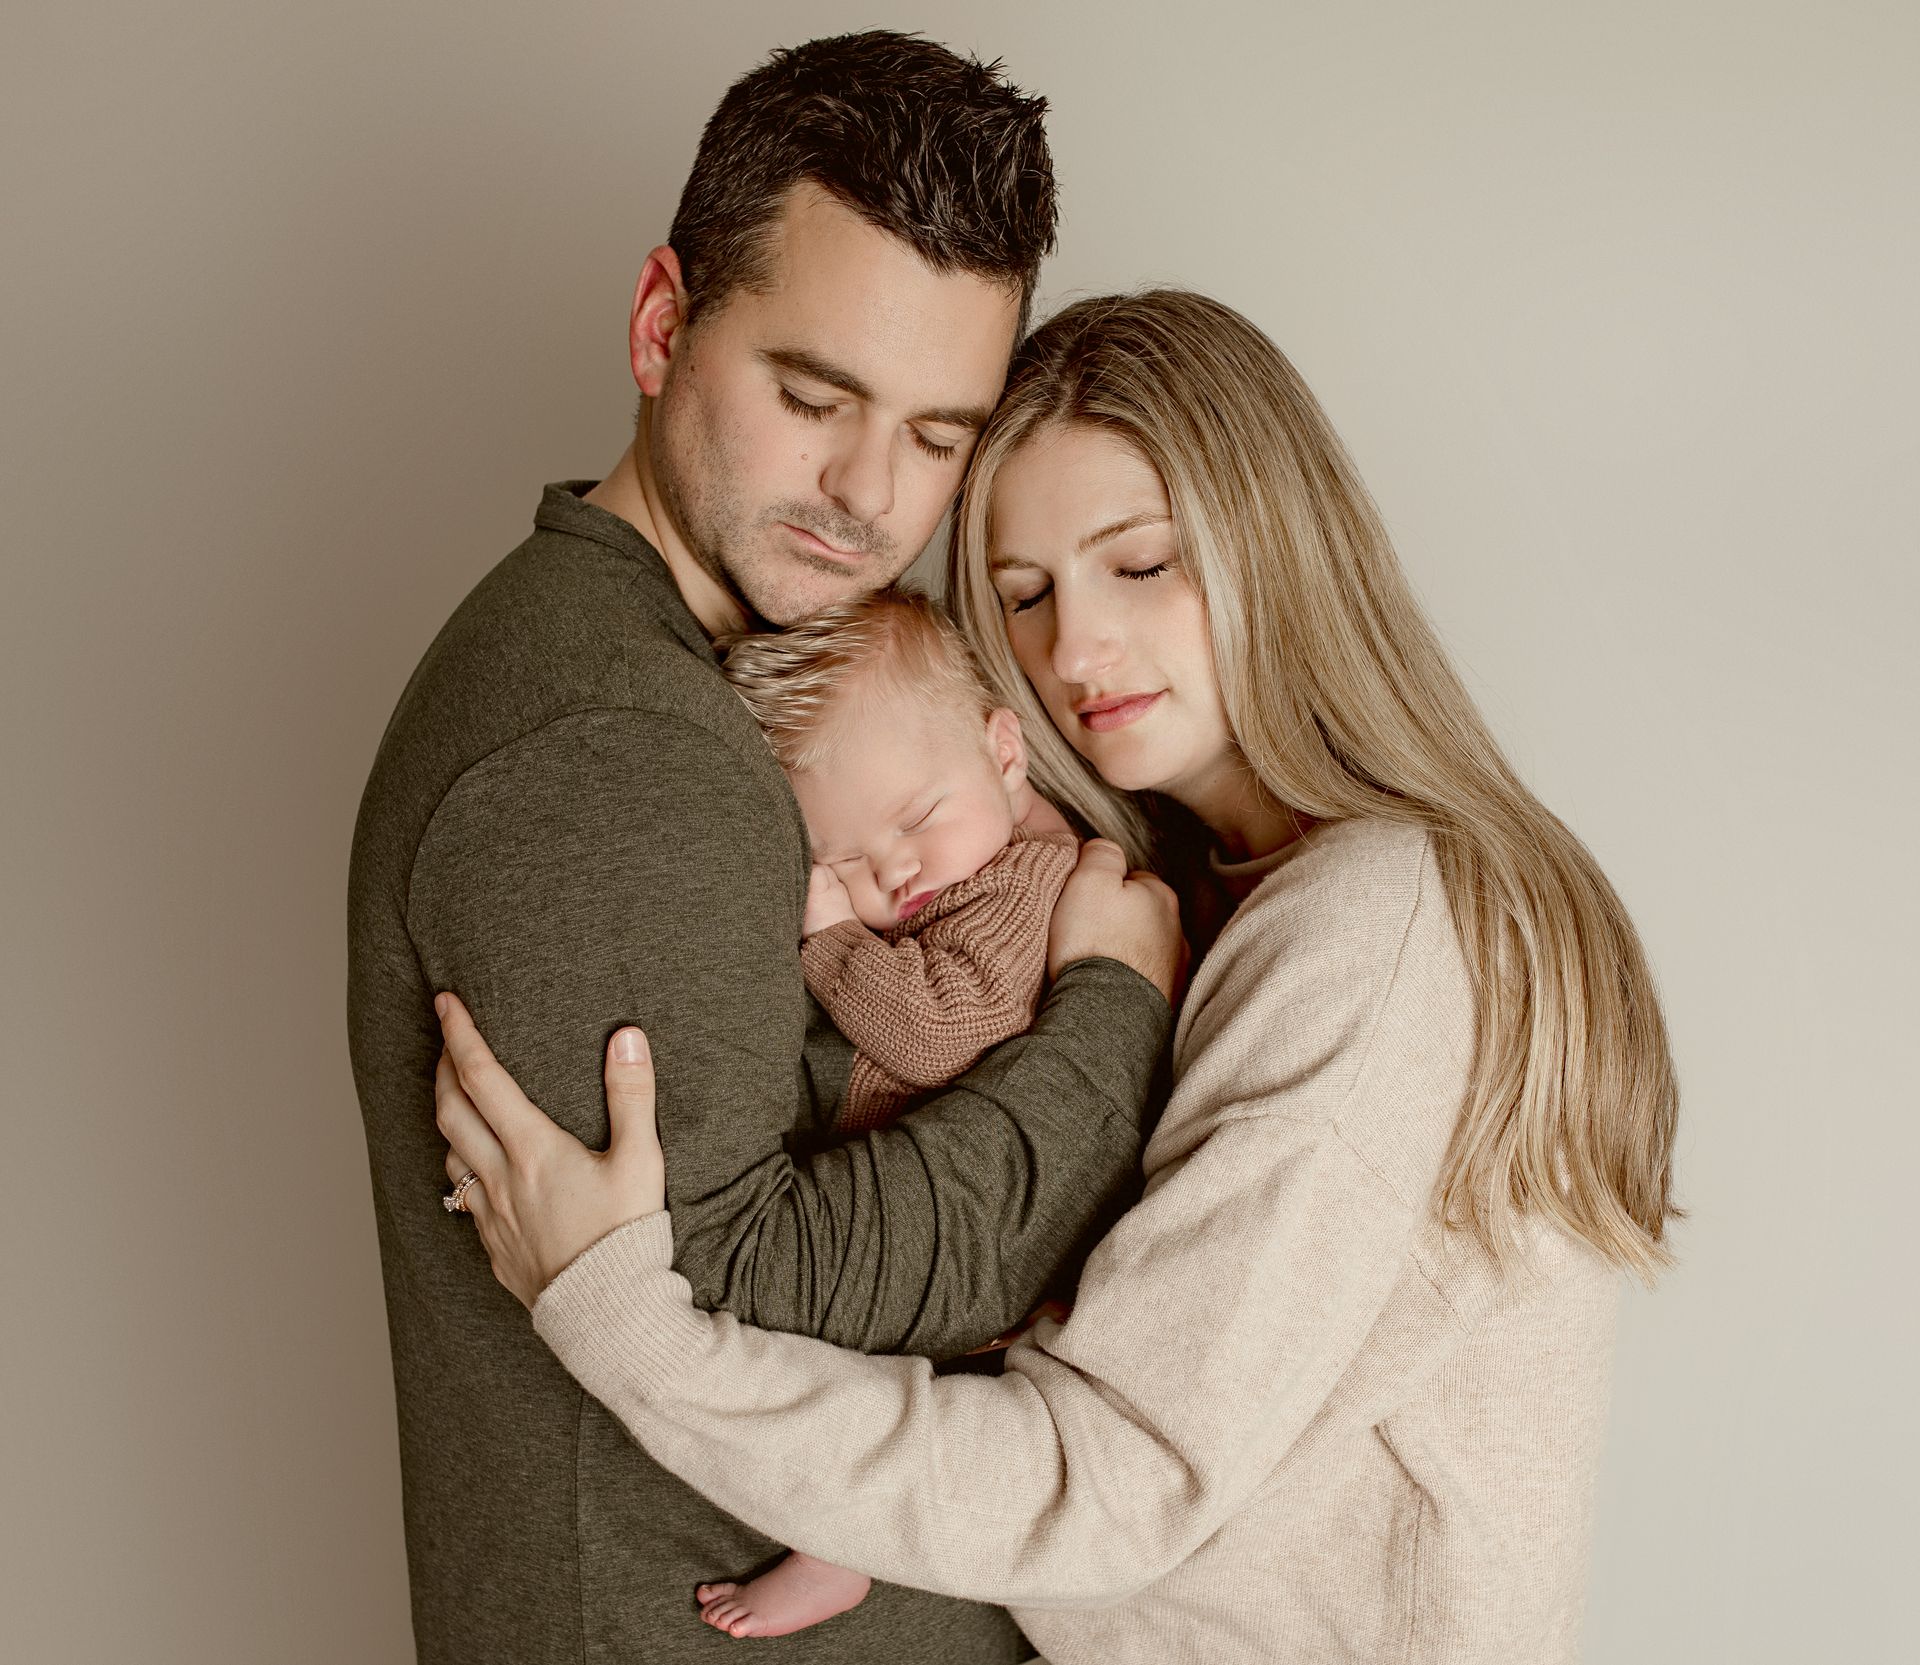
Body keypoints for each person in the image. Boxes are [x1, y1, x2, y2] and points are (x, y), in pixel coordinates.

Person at [431, 289, 1682, 1663]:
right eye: (1023, 594)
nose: (1074, 653)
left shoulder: (1375, 930)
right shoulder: (1168, 893)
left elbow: (1112, 1476)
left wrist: (626, 1323)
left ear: (1274, 543)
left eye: (1138, 565)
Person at [347, 34, 1181, 1664]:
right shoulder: (621, 757)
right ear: (663, 324)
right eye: (815, 399)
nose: (871, 495)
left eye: (941, 437)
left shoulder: (769, 701)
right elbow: (749, 1293)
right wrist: (1114, 1010)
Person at [700, 589, 1086, 1635]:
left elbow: (937, 1033)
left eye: (916, 820)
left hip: (999, 1245)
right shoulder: (977, 850)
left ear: (1006, 753)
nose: (896, 872)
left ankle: (839, 1547)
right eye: (847, 864)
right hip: (930, 1208)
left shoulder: (1025, 885)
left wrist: (833, 940)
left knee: (872, 1399)